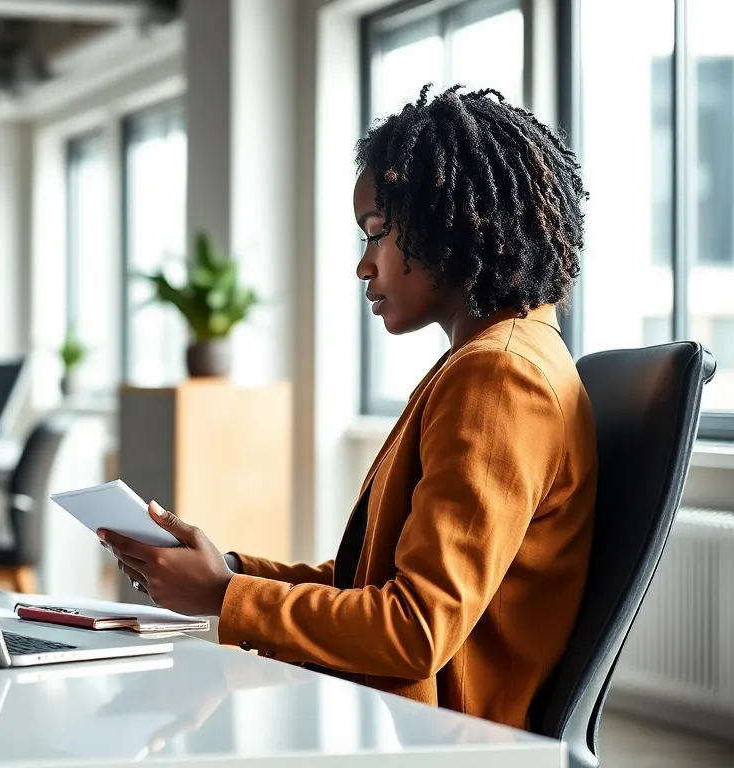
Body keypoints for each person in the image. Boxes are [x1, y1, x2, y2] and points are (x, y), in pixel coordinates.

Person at [99, 85, 596, 730]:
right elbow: (368, 584)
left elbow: (415, 630)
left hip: (451, 739)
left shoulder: (501, 377)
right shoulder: (495, 359)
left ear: (451, 224)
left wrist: (223, 596)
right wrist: (228, 573)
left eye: (378, 233)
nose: (364, 266)